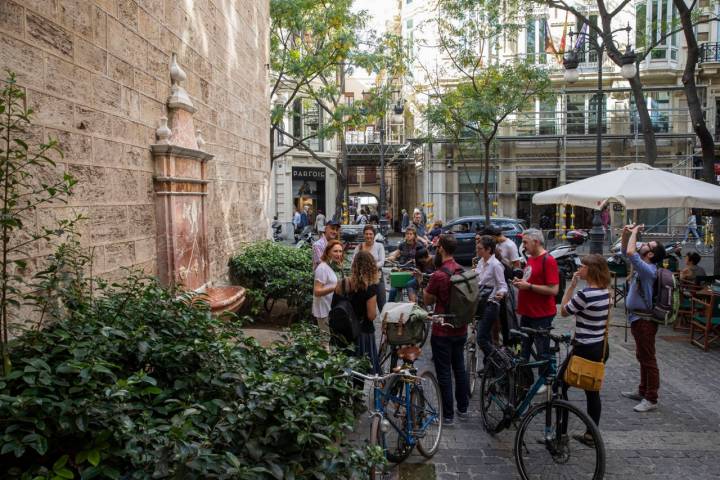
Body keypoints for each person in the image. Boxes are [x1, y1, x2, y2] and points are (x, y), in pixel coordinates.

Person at [559, 254, 611, 446]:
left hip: (583, 348)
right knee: (592, 391)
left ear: (591, 270)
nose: (578, 269)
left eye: (582, 267)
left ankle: (561, 432)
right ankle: (591, 434)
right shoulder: (606, 292)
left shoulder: (585, 294)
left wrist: (571, 286)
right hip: (600, 347)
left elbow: (564, 311)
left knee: (559, 386)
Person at [424, 234, 469, 425]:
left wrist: (424, 285)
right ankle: (463, 408)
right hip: (460, 327)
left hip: (442, 329)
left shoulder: (439, 275)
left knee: (443, 372)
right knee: (459, 368)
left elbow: (427, 300)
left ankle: (447, 414)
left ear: (441, 248)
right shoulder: (461, 270)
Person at [621, 224, 665, 412]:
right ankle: (642, 390)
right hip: (637, 319)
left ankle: (651, 398)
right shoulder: (643, 265)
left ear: (651, 254)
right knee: (642, 355)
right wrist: (625, 233)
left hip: (645, 321)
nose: (644, 244)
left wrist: (635, 233)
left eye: (648, 244)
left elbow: (631, 252)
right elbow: (625, 250)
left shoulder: (649, 270)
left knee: (648, 359)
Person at [512, 228, 559, 393]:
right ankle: (524, 379)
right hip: (527, 312)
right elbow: (530, 278)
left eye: (525, 242)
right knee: (523, 348)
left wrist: (529, 286)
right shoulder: (531, 258)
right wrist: (521, 281)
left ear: (536, 242)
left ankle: (546, 381)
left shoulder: (548, 260)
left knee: (542, 349)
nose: (523, 246)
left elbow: (553, 290)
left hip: (541, 313)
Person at [337, 250, 380, 373]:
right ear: (371, 267)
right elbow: (371, 316)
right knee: (359, 373)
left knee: (344, 370)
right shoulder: (370, 288)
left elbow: (335, 306)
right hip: (362, 333)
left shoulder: (343, 283)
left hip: (344, 332)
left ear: (354, 265)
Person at [474, 235, 508, 365]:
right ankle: (490, 366)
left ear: (488, 250)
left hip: (491, 304)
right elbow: (477, 279)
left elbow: (503, 285)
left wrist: (500, 293)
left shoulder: (496, 265)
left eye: (480, 248)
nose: (478, 251)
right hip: (481, 303)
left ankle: (500, 362)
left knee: (481, 338)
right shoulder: (481, 262)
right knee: (486, 337)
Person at [313, 240, 343, 342]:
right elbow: (317, 291)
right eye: (335, 251)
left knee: (330, 340)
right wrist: (335, 287)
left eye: (340, 251)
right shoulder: (322, 268)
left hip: (330, 307)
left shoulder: (333, 266)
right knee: (325, 341)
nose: (338, 254)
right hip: (323, 310)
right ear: (328, 251)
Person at [354, 225, 386, 313]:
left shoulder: (379, 246)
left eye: (370, 234)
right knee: (364, 304)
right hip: (363, 280)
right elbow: (354, 261)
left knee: (382, 304)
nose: (368, 236)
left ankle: (384, 324)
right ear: (364, 235)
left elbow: (382, 262)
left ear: (374, 235)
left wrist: (368, 267)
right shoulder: (359, 247)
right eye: (366, 234)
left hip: (377, 277)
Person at [387, 226, 420, 302]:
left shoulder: (418, 245)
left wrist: (416, 260)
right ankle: (389, 307)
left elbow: (422, 258)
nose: (408, 235)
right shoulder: (402, 245)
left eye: (411, 234)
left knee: (410, 288)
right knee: (393, 290)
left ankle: (412, 307)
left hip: (413, 272)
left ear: (414, 235)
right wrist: (392, 257)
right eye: (407, 234)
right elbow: (396, 253)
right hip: (401, 270)